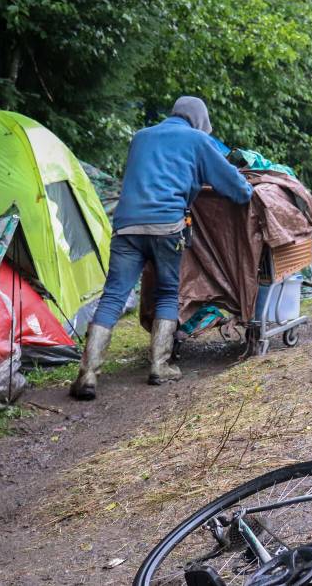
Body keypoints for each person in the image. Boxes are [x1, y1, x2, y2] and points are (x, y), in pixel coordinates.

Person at [70, 96, 253, 400]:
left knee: (114, 294)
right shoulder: (196, 140)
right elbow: (234, 186)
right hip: (167, 226)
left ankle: (88, 374)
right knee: (168, 291)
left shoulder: (141, 137)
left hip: (127, 225)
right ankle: (160, 366)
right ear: (200, 120)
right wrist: (246, 190)